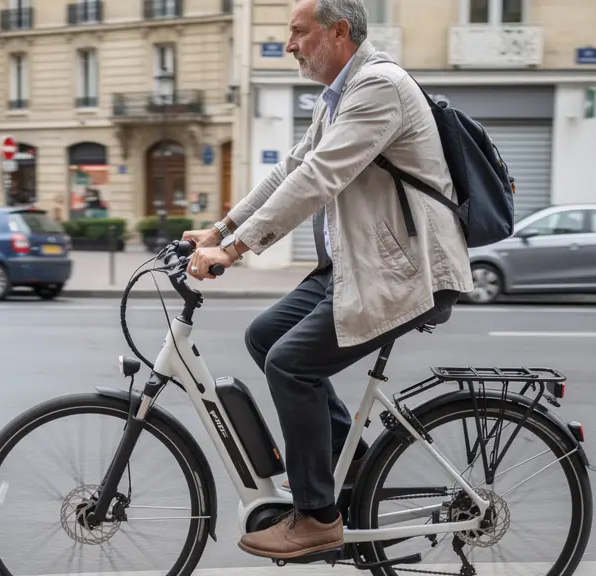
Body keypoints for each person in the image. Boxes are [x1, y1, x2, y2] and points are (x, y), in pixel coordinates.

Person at [182, 0, 473, 561]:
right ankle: (355, 464)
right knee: (264, 337)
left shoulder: (378, 88)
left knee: (290, 363)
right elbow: (289, 170)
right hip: (356, 265)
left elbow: (319, 178)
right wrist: (218, 229)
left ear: (338, 32)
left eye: (298, 32)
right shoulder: (338, 97)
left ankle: (317, 517)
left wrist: (235, 250)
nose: (289, 44)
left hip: (407, 272)